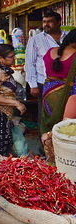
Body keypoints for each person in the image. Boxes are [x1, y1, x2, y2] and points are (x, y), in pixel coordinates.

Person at [40, 29, 76, 162]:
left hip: (48, 93)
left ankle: (48, 154)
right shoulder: (74, 55)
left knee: (48, 122)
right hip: (66, 94)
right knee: (64, 125)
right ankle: (61, 157)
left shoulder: (50, 51)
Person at [25, 11, 68, 119]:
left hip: (67, 81)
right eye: (44, 22)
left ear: (59, 22)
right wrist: (33, 85)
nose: (46, 24)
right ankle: (44, 136)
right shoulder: (36, 39)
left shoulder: (68, 37)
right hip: (44, 81)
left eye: (50, 22)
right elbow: (30, 62)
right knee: (45, 113)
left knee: (65, 111)